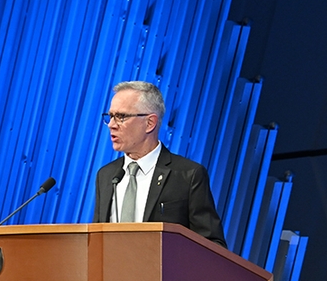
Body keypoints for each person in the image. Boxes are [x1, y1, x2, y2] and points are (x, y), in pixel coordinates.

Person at [93, 81, 227, 248]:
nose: (112, 125)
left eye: (121, 117)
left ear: (150, 123)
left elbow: (212, 245)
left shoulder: (188, 175)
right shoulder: (106, 175)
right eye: (110, 116)